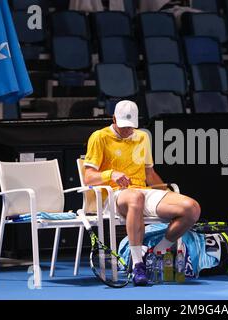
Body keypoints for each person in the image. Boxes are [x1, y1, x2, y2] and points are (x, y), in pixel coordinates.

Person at [83, 100, 201, 286]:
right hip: (113, 195)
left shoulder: (142, 137)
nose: (127, 130)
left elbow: (149, 174)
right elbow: (88, 177)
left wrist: (167, 192)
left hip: (142, 191)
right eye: (123, 127)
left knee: (191, 208)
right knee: (135, 197)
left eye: (131, 127)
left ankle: (157, 252)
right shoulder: (99, 137)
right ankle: (138, 264)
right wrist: (111, 174)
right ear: (114, 119)